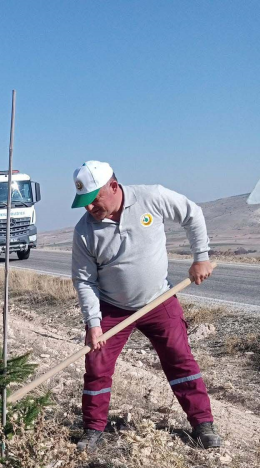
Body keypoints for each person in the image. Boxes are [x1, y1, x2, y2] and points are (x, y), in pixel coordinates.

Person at [71, 160, 221, 452]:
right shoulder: (85, 231)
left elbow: (192, 214)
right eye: (84, 203)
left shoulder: (151, 197)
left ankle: (203, 424)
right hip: (112, 307)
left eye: (93, 200)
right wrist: (93, 323)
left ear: (113, 186)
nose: (89, 209)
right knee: (97, 363)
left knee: (179, 358)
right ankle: (93, 429)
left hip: (158, 299)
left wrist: (200, 256)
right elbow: (84, 281)